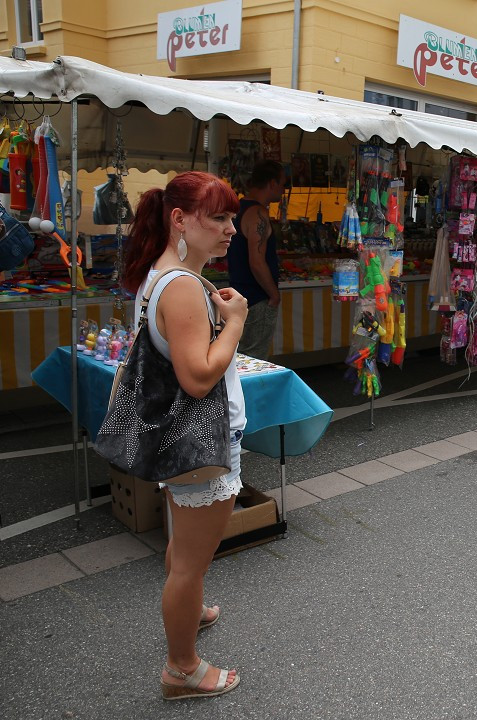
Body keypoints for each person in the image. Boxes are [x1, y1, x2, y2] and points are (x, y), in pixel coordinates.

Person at [123, 171, 247, 700]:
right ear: (180, 219)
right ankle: (182, 669)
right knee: (191, 563)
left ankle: (189, 613)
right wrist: (236, 321)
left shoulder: (165, 276)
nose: (231, 230)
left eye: (231, 218)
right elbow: (198, 378)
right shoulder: (182, 288)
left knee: (184, 546)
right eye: (218, 218)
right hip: (199, 440)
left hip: (179, 439)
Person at [227, 160, 285, 359]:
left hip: (241, 294)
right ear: (272, 183)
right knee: (253, 358)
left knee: (241, 356)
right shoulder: (258, 213)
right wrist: (273, 294)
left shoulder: (239, 209)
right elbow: (257, 261)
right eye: (282, 183)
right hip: (257, 297)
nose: (284, 190)